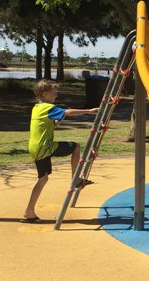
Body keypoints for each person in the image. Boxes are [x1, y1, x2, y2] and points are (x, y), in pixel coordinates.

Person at [23, 80, 99, 222]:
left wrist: (62, 116)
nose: (56, 95)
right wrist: (89, 111)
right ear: (45, 94)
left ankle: (29, 211)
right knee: (75, 147)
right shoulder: (48, 107)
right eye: (54, 92)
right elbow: (68, 112)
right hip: (45, 147)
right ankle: (75, 179)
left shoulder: (37, 107)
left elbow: (52, 125)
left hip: (36, 147)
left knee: (43, 179)